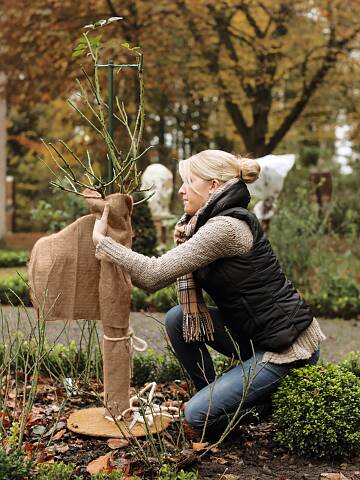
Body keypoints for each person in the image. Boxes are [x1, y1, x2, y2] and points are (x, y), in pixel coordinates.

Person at [93, 149, 325, 439]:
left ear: (214, 186)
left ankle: (260, 405)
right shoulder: (203, 225)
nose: (180, 190)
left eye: (189, 181)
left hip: (287, 349)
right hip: (257, 336)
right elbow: (155, 277)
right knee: (178, 319)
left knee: (195, 416)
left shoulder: (226, 228)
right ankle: (212, 399)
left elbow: (152, 275)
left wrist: (102, 242)